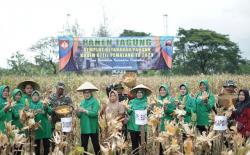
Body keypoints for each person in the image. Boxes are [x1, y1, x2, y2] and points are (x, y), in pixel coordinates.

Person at [76, 82, 100, 155]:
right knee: (83, 146)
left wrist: (85, 110)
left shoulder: (95, 101)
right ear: (83, 94)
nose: (86, 94)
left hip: (93, 127)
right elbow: (79, 116)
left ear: (91, 93)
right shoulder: (82, 102)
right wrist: (77, 112)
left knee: (96, 145)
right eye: (85, 93)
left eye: (88, 92)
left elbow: (95, 113)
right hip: (84, 127)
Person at [127, 84, 152, 155]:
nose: (139, 94)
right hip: (133, 126)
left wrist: (148, 110)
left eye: (141, 92)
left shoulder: (147, 103)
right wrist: (128, 110)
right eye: (138, 92)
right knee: (134, 146)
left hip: (142, 127)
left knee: (144, 145)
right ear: (136, 93)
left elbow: (149, 114)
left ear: (143, 94)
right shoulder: (131, 102)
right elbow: (128, 112)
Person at [29, 90, 52, 155]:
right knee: (37, 147)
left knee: (46, 145)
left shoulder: (43, 103)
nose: (35, 97)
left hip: (45, 127)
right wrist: (31, 114)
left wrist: (46, 107)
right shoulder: (29, 105)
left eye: (36, 95)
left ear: (39, 97)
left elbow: (50, 112)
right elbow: (26, 116)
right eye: (33, 95)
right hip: (36, 129)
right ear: (31, 97)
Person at [157, 84, 175, 155]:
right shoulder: (158, 100)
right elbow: (155, 110)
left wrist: (166, 109)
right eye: (161, 90)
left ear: (167, 90)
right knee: (161, 145)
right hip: (159, 124)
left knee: (167, 143)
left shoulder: (171, 99)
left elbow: (174, 112)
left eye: (164, 90)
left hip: (168, 124)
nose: (162, 91)